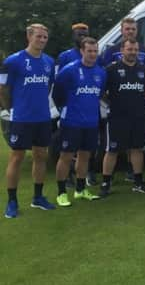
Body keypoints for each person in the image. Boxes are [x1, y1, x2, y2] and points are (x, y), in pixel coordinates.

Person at [1, 24, 56, 218]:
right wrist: (12, 109)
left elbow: (48, 85)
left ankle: (38, 197)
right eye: (39, 37)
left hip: (42, 117)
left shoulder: (49, 61)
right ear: (29, 36)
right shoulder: (13, 61)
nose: (42, 40)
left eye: (45, 37)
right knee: (17, 157)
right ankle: (12, 201)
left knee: (41, 155)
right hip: (21, 118)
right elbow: (2, 89)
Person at [52, 37, 105, 206]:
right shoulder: (69, 70)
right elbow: (57, 94)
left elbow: (99, 94)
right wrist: (65, 110)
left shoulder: (101, 73)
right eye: (89, 51)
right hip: (72, 122)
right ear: (82, 51)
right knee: (66, 156)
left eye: (95, 51)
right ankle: (61, 193)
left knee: (85, 156)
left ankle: (80, 190)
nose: (92, 54)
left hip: (91, 122)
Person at [100, 38, 145, 197]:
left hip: (138, 116)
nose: (133, 52)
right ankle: (106, 183)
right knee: (112, 150)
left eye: (135, 50)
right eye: (130, 49)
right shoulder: (111, 69)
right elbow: (102, 93)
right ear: (122, 50)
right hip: (117, 116)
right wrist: (113, 104)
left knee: (137, 148)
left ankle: (138, 182)